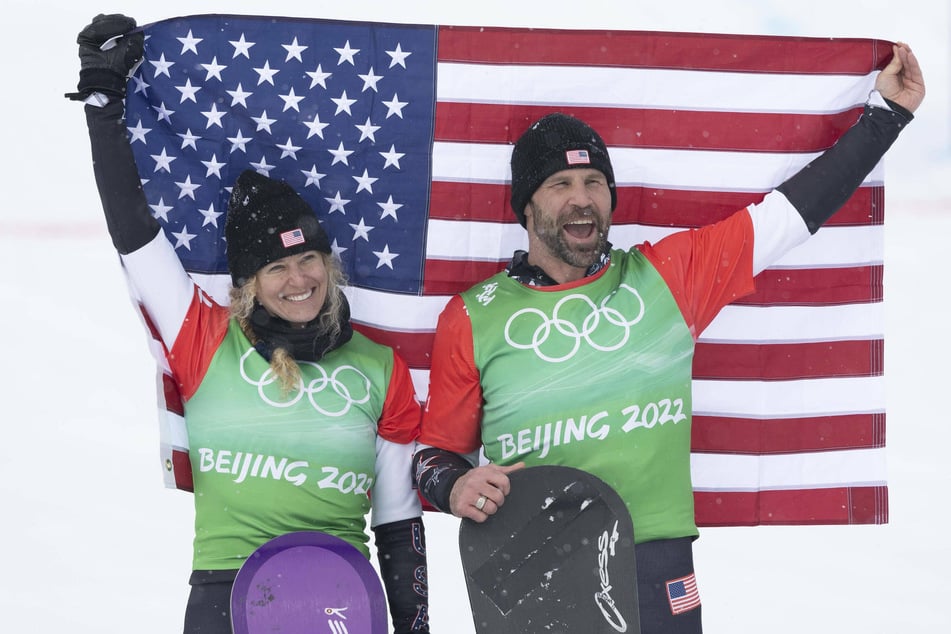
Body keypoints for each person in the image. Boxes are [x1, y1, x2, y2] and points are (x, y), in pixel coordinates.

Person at [413, 38, 925, 633]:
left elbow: (789, 215)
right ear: (525, 208)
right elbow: (433, 457)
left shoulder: (666, 278)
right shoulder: (473, 315)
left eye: (594, 183)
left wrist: (885, 118)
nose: (582, 200)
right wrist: (455, 486)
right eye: (560, 185)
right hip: (535, 568)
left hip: (654, 561)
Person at [67, 14, 429, 634]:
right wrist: (104, 107)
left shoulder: (379, 367)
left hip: (343, 600)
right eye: (277, 267)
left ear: (329, 263)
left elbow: (397, 524)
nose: (299, 280)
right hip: (227, 598)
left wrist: (415, 628)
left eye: (309, 258)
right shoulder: (205, 339)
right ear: (248, 286)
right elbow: (135, 235)